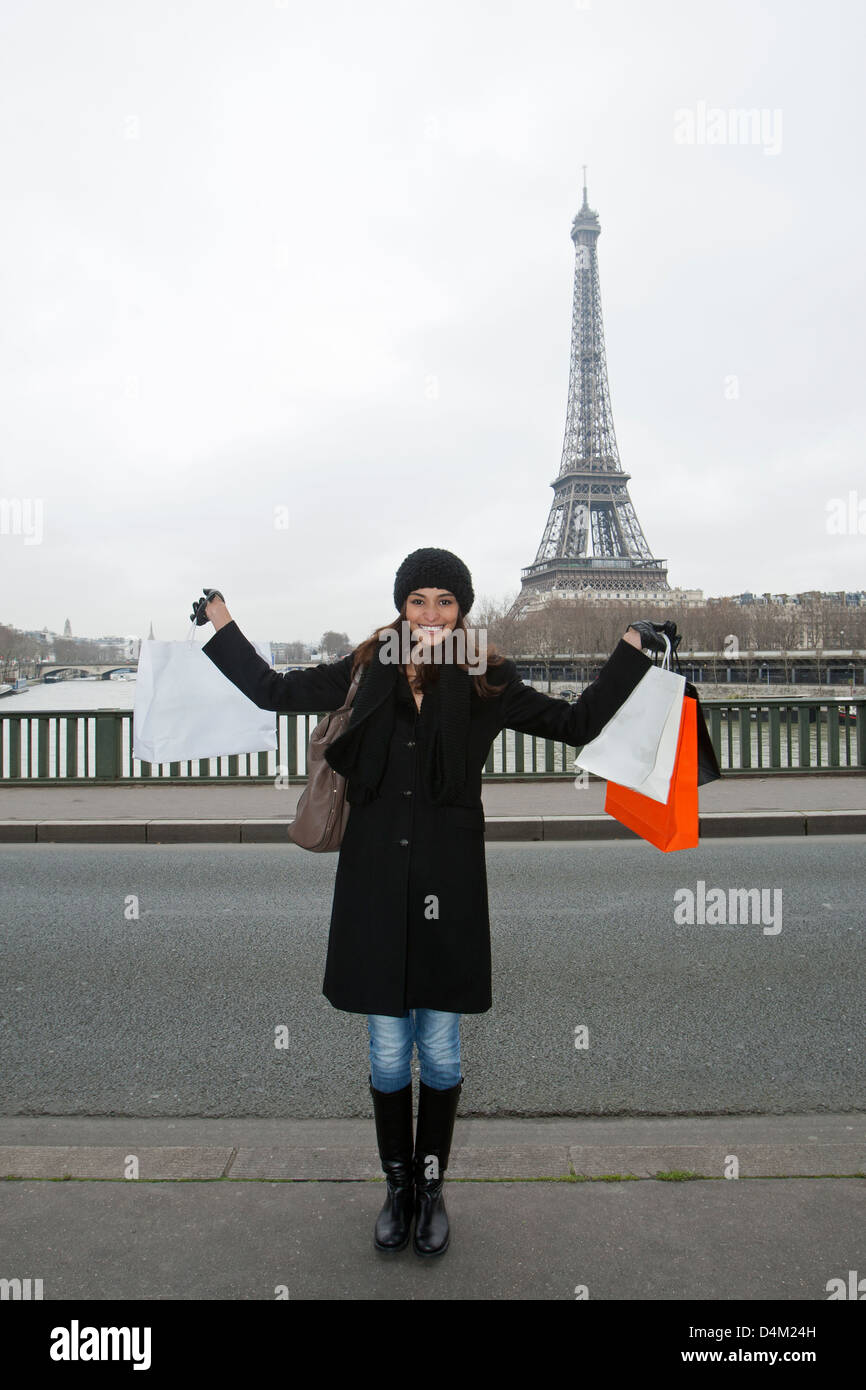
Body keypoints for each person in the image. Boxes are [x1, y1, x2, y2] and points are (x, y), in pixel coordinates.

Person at [192, 547, 658, 1258]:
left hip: (449, 882)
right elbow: (271, 692)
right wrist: (223, 624)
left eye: (446, 602)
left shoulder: (486, 680)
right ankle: (398, 1189)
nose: (432, 615)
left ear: (462, 609)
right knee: (386, 1054)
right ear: (401, 607)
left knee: (438, 1051)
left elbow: (578, 723)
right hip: (375, 882)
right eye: (419, 601)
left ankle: (432, 1190)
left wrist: (631, 651)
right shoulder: (363, 670)